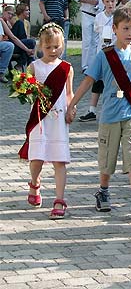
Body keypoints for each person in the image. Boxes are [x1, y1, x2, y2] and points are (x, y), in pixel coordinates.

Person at [66, 6, 131, 219]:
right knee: (107, 158)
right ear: (114, 29)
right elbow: (88, 81)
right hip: (110, 115)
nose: (130, 34)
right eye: (125, 28)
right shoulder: (105, 56)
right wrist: (72, 104)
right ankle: (103, 192)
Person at [23, 23, 74, 220]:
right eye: (48, 47)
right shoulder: (34, 67)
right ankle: (35, 182)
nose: (53, 51)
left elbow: (68, 93)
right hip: (40, 119)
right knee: (37, 158)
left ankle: (59, 199)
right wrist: (26, 88)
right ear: (40, 47)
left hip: (59, 118)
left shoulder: (66, 68)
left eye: (57, 47)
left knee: (59, 160)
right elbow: (25, 91)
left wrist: (71, 109)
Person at [78, 0, 118, 122]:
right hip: (102, 52)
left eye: (112, 1)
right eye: (107, 1)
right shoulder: (100, 16)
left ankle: (115, 108)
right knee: (97, 80)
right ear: (103, 2)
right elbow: (97, 29)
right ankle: (92, 110)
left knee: (115, 81)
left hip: (116, 52)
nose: (110, 4)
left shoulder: (119, 16)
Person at [74, 0, 108, 72]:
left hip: (98, 15)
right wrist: (90, 1)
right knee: (87, 41)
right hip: (87, 14)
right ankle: (85, 66)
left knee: (96, 41)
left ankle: (93, 64)